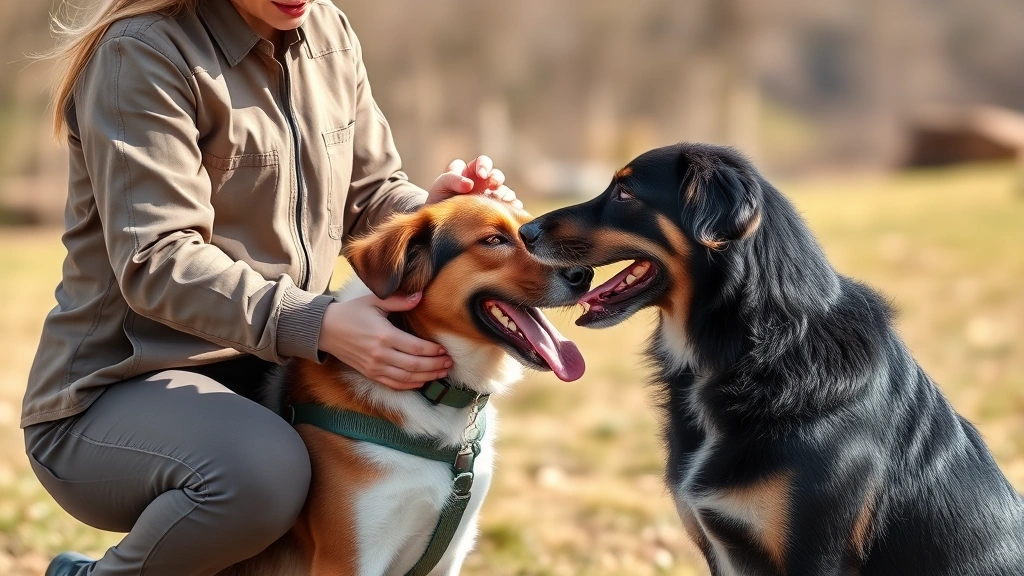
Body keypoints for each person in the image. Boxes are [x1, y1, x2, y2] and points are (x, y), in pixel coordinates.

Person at [24, 0, 520, 574]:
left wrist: (436, 219)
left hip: (274, 374)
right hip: (115, 393)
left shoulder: (326, 30)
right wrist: (320, 324)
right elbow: (157, 260)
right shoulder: (141, 51)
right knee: (263, 472)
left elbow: (373, 193)